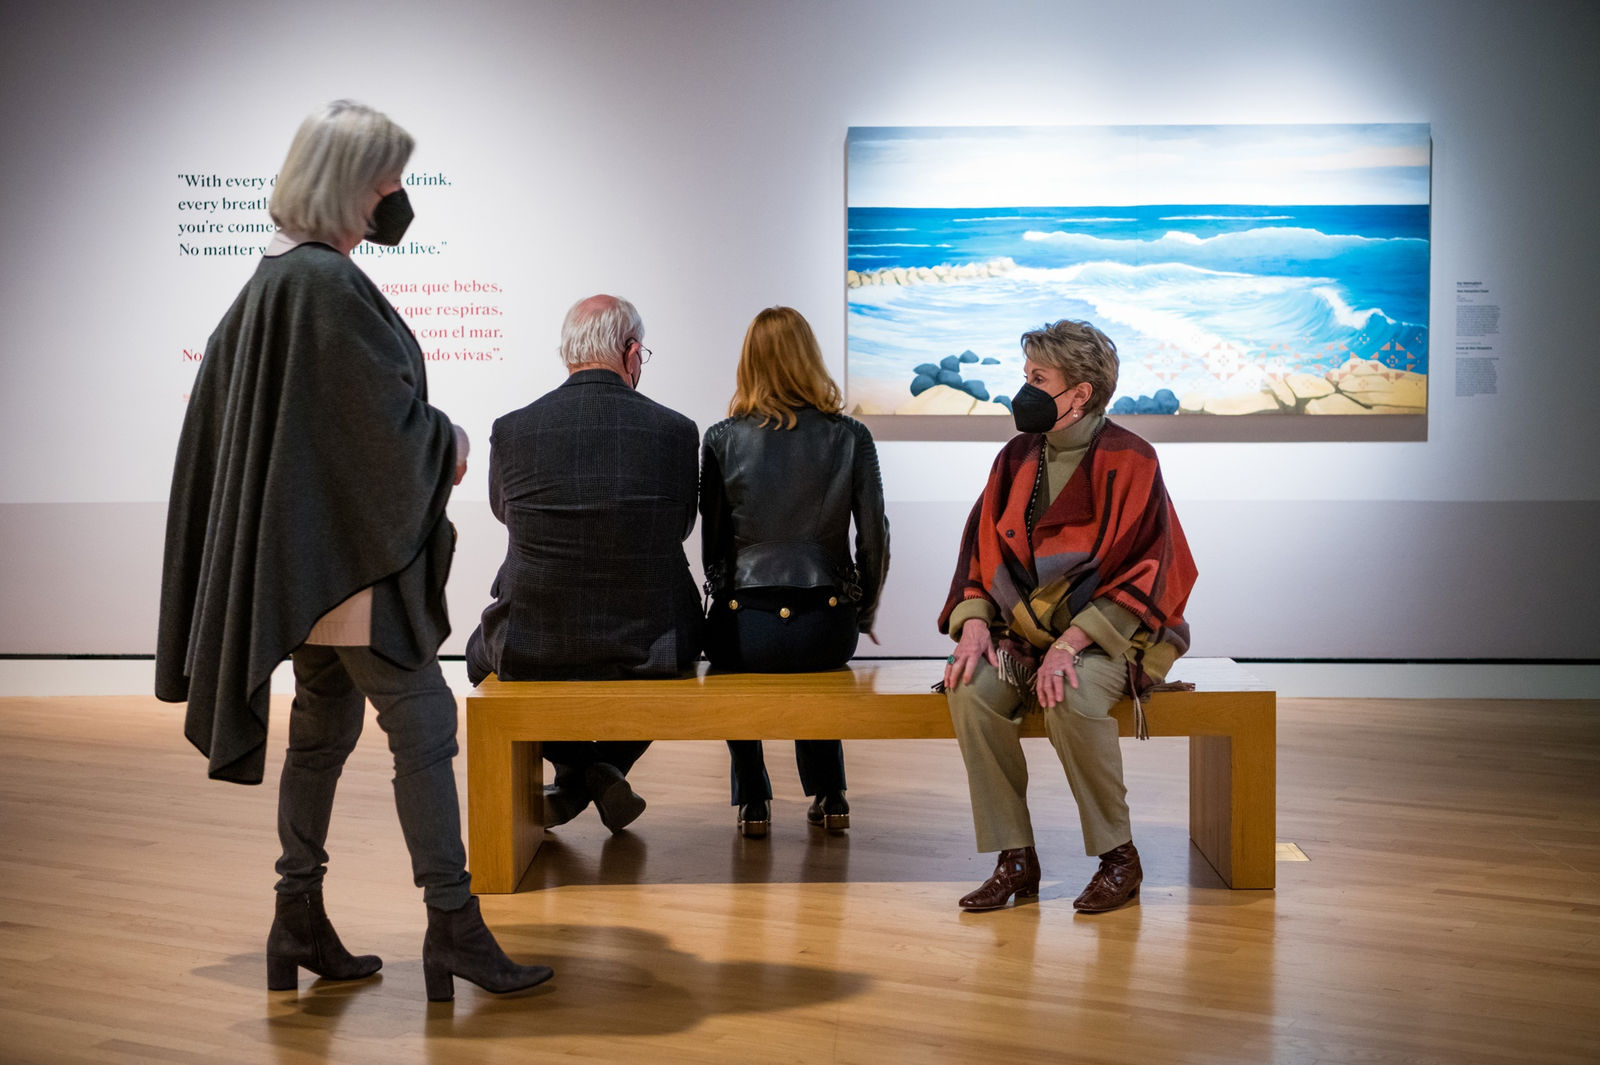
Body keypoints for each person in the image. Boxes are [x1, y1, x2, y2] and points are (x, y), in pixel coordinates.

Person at [155, 100, 550, 1001]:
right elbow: (379, 430)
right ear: (351, 186)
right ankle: (453, 926)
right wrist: (445, 437)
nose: (398, 197)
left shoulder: (270, 283)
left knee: (323, 734)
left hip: (307, 567)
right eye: (389, 181)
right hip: (353, 570)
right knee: (423, 728)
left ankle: (297, 917)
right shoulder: (326, 288)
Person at [939, 318, 1198, 914]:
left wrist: (1071, 642)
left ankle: (1119, 857)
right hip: (1023, 631)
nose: (1023, 389)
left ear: (1079, 392)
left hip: (1113, 633)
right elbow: (982, 550)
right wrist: (974, 621)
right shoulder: (1014, 459)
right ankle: (1015, 858)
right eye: (1025, 375)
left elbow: (1150, 565)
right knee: (970, 689)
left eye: (1038, 378)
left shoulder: (1133, 459)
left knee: (1070, 695)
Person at [465, 294, 703, 833]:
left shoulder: (513, 428)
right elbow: (682, 525)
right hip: (654, 638)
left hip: (535, 635)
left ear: (568, 353)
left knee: (480, 656)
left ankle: (576, 767)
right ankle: (603, 767)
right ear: (632, 352)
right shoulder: (676, 431)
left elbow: (508, 516)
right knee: (665, 669)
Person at [700, 306, 890, 838]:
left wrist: (727, 602)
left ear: (749, 362)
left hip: (745, 627)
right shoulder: (850, 436)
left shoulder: (721, 438)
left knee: (733, 667)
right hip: (827, 627)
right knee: (814, 674)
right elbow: (874, 537)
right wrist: (864, 609)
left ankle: (754, 802)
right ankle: (831, 796)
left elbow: (713, 547)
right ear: (810, 358)